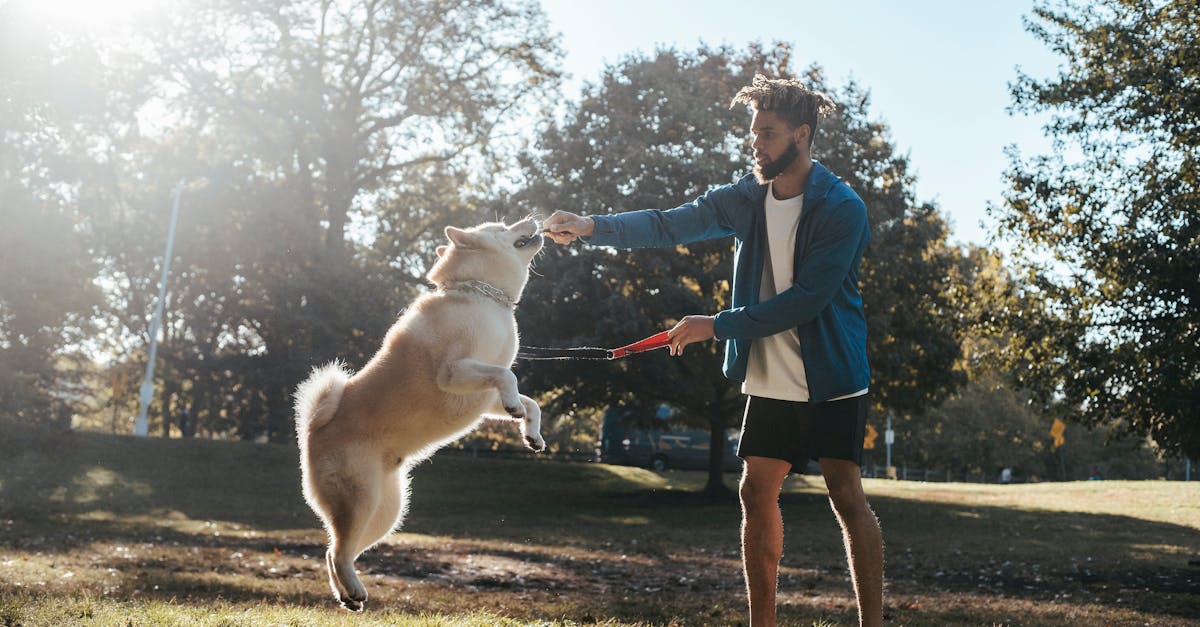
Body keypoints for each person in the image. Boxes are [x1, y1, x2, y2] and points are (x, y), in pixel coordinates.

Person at [543, 74, 883, 627]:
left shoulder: (842, 207)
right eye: (753, 133)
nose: (756, 143)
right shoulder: (746, 197)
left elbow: (807, 301)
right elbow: (668, 223)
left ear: (802, 134)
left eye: (768, 134)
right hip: (770, 376)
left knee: (845, 496)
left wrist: (715, 325)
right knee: (755, 490)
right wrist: (590, 226)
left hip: (833, 374)